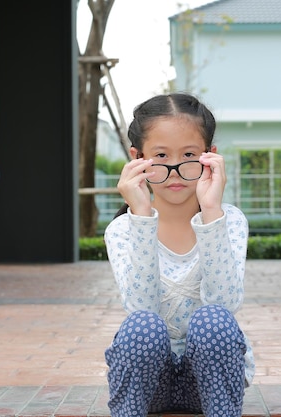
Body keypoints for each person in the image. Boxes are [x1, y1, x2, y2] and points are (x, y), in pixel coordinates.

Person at [103, 93, 255, 417]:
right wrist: (141, 216)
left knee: (214, 322)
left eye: (188, 154)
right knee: (141, 325)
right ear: (137, 157)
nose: (174, 170)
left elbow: (225, 306)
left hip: (209, 383)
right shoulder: (122, 230)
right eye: (160, 155)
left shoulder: (229, 221)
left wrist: (211, 211)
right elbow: (140, 308)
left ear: (210, 157)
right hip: (150, 384)